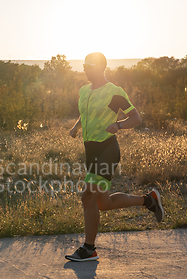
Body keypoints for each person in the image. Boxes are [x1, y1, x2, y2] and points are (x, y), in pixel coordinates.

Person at [65, 52, 164, 262]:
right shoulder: (84, 91)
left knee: (87, 197)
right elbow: (86, 112)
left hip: (107, 150)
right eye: (83, 64)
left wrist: (119, 125)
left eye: (88, 65)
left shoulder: (114, 92)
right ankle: (149, 201)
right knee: (104, 203)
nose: (84, 68)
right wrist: (75, 127)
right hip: (90, 151)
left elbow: (136, 117)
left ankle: (89, 249)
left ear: (101, 67)